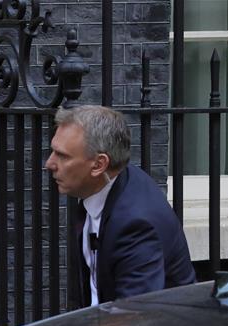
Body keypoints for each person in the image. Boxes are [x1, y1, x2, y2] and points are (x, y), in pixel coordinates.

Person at [45, 105, 195, 306]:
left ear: (99, 165)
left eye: (62, 156)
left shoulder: (135, 224)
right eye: (53, 151)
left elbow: (134, 313)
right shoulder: (102, 185)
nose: (49, 164)